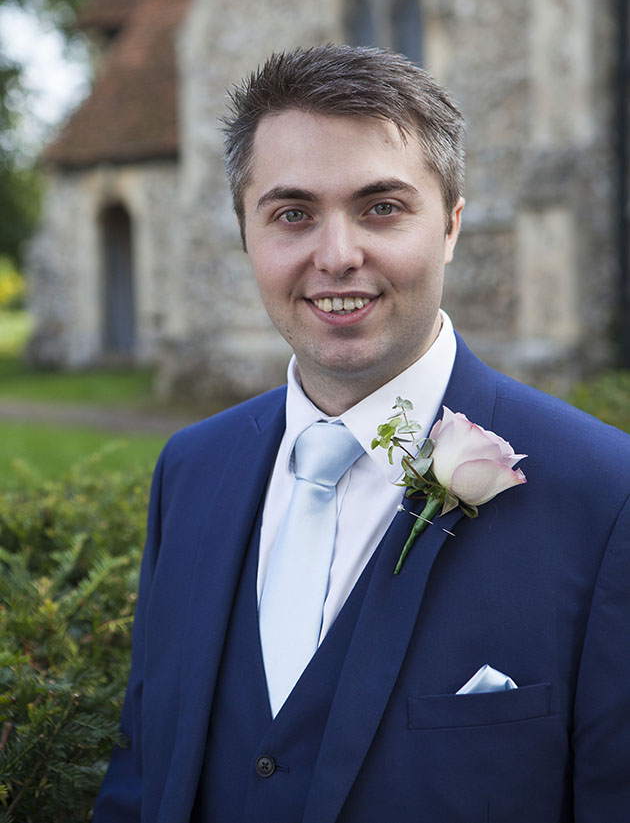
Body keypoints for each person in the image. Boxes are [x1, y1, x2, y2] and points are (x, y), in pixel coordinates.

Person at [94, 44, 630, 823]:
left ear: (449, 226)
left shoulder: (606, 494)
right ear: (247, 233)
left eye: (381, 207)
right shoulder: (191, 470)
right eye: (292, 213)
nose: (337, 256)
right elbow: (142, 775)